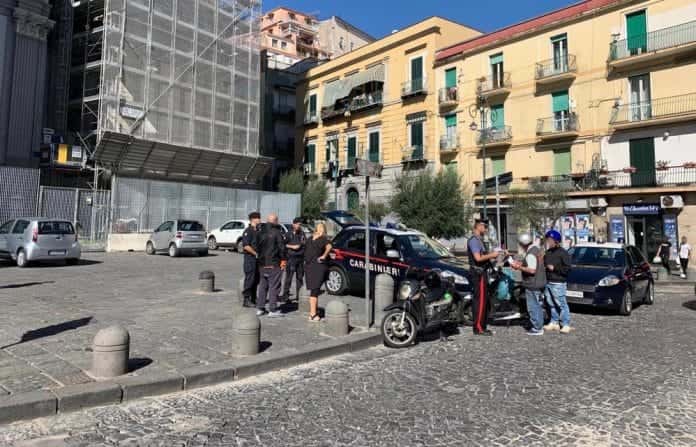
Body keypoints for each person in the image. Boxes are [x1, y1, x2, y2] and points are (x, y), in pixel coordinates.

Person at [467, 220, 504, 336]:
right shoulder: (474, 240)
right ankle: (478, 327)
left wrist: (499, 254)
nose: (486, 229)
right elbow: (478, 258)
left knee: (483, 300)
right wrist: (492, 255)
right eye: (485, 226)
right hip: (478, 274)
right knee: (480, 301)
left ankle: (481, 325)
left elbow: (484, 257)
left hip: (481, 273)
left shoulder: (479, 240)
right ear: (478, 226)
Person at [511, 233, 546, 336]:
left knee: (533, 306)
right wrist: (521, 264)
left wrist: (518, 267)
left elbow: (531, 270)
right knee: (538, 305)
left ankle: (537, 328)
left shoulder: (530, 253)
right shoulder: (536, 249)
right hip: (539, 282)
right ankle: (538, 325)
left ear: (523, 243)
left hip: (533, 283)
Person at [255, 214, 287, 317]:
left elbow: (256, 247)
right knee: (274, 286)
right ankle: (272, 310)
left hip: (262, 263)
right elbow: (282, 248)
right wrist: (283, 260)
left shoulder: (260, 232)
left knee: (263, 286)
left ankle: (260, 308)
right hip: (274, 263)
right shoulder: (277, 232)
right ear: (275, 221)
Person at [543, 230, 572, 334]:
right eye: (547, 240)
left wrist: (554, 268)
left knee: (561, 304)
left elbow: (567, 269)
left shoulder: (563, 253)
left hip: (558, 283)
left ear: (556, 241)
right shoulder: (547, 252)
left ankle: (566, 324)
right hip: (548, 281)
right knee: (550, 303)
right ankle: (554, 322)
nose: (548, 242)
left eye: (550, 240)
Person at [304, 223, 332, 322]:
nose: (320, 229)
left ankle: (313, 312)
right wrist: (324, 255)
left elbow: (329, 247)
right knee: (314, 290)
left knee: (314, 290)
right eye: (319, 227)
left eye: (321, 227)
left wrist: (324, 255)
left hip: (313, 266)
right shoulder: (318, 238)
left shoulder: (315, 238)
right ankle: (313, 314)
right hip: (314, 266)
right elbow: (329, 247)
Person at [282, 217, 307, 302]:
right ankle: (285, 296)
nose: (299, 226)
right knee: (288, 278)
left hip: (300, 259)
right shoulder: (288, 234)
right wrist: (292, 246)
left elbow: (304, 244)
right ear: (294, 224)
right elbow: (282, 245)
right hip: (291, 258)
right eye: (298, 224)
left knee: (300, 278)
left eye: (300, 224)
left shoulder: (302, 233)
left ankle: (299, 296)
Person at [241, 212, 261, 308]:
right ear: (253, 219)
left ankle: (253, 298)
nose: (259, 219)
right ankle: (246, 299)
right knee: (249, 279)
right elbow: (246, 246)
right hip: (250, 259)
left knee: (256, 279)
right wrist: (255, 253)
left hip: (257, 260)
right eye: (258, 218)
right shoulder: (248, 231)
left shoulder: (257, 230)